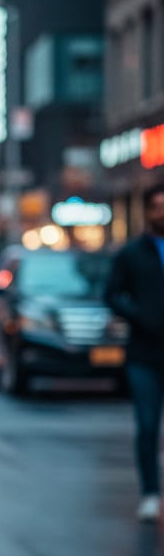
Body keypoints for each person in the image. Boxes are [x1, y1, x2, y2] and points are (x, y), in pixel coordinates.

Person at [105, 182, 164, 520]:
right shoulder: (131, 253)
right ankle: (151, 493)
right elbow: (111, 294)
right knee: (147, 424)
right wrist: (139, 316)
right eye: (156, 206)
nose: (161, 212)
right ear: (147, 211)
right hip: (144, 354)